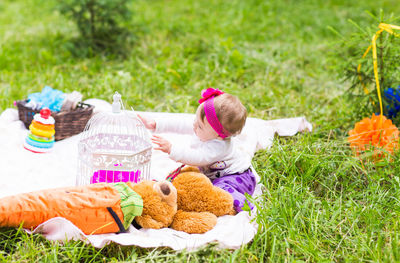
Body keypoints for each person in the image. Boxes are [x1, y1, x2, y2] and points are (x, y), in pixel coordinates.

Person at [138, 88, 256, 212]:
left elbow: (197, 157)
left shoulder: (219, 147)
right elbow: (181, 124)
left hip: (237, 177)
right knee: (187, 179)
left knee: (218, 190)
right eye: (196, 119)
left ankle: (246, 206)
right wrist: (156, 125)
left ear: (218, 135)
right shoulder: (204, 128)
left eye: (199, 125)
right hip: (213, 172)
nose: (194, 125)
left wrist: (171, 149)